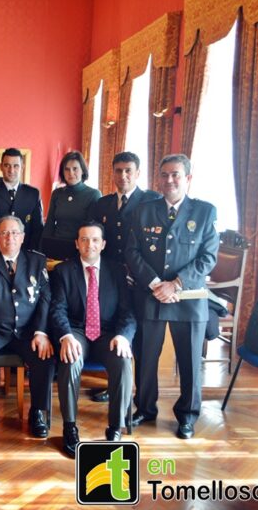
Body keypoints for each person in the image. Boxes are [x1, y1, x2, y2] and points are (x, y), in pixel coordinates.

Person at [126, 154, 219, 440]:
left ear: (188, 178)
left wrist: (176, 283)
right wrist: (156, 284)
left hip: (188, 300)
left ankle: (188, 416)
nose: (169, 180)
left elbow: (208, 257)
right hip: (151, 295)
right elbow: (132, 252)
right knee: (146, 357)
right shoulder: (143, 211)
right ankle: (145, 408)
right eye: (164, 175)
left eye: (176, 175)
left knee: (190, 361)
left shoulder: (205, 212)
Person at [49, 221, 136, 457]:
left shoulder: (117, 271)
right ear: (77, 244)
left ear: (103, 244)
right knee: (70, 358)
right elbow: (57, 309)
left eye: (95, 239)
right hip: (77, 332)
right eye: (84, 239)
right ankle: (70, 427)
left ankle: (115, 427)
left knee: (122, 362)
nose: (90, 244)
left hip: (109, 335)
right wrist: (66, 336)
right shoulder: (63, 271)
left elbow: (128, 311)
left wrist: (123, 336)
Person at [0, 216, 54, 439]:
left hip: (27, 332)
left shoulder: (36, 261)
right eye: (4, 233)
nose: (9, 238)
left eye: (14, 233)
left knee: (44, 355)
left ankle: (37, 411)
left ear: (23, 237)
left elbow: (45, 299)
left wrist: (41, 332)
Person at [88, 151, 160, 403]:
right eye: (118, 171)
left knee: (141, 342)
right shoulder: (103, 203)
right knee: (115, 333)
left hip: (141, 282)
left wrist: (142, 274)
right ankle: (116, 387)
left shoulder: (151, 201)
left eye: (128, 170)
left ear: (137, 173)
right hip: (111, 282)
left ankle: (142, 399)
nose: (123, 175)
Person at [41, 151, 100, 261]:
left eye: (75, 168)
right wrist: (44, 249)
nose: (71, 173)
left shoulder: (93, 194)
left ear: (82, 170)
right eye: (67, 169)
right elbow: (49, 223)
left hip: (79, 249)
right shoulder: (57, 193)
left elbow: (90, 229)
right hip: (55, 246)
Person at [0, 147, 44, 250]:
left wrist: (32, 253)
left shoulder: (33, 193)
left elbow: (37, 228)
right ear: (0, 167)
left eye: (16, 166)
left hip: (25, 252)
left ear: (22, 167)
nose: (11, 170)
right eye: (7, 165)